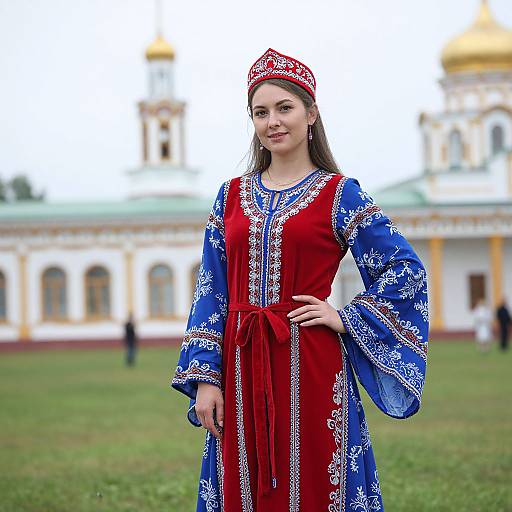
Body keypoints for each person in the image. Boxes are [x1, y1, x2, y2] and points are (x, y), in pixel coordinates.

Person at [171, 48, 429, 511]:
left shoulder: (339, 193)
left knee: (315, 482)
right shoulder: (229, 197)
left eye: (284, 108)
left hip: (312, 363)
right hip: (239, 362)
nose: (273, 121)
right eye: (260, 112)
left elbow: (405, 271)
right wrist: (206, 378)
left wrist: (346, 317)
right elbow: (211, 290)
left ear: (311, 113)